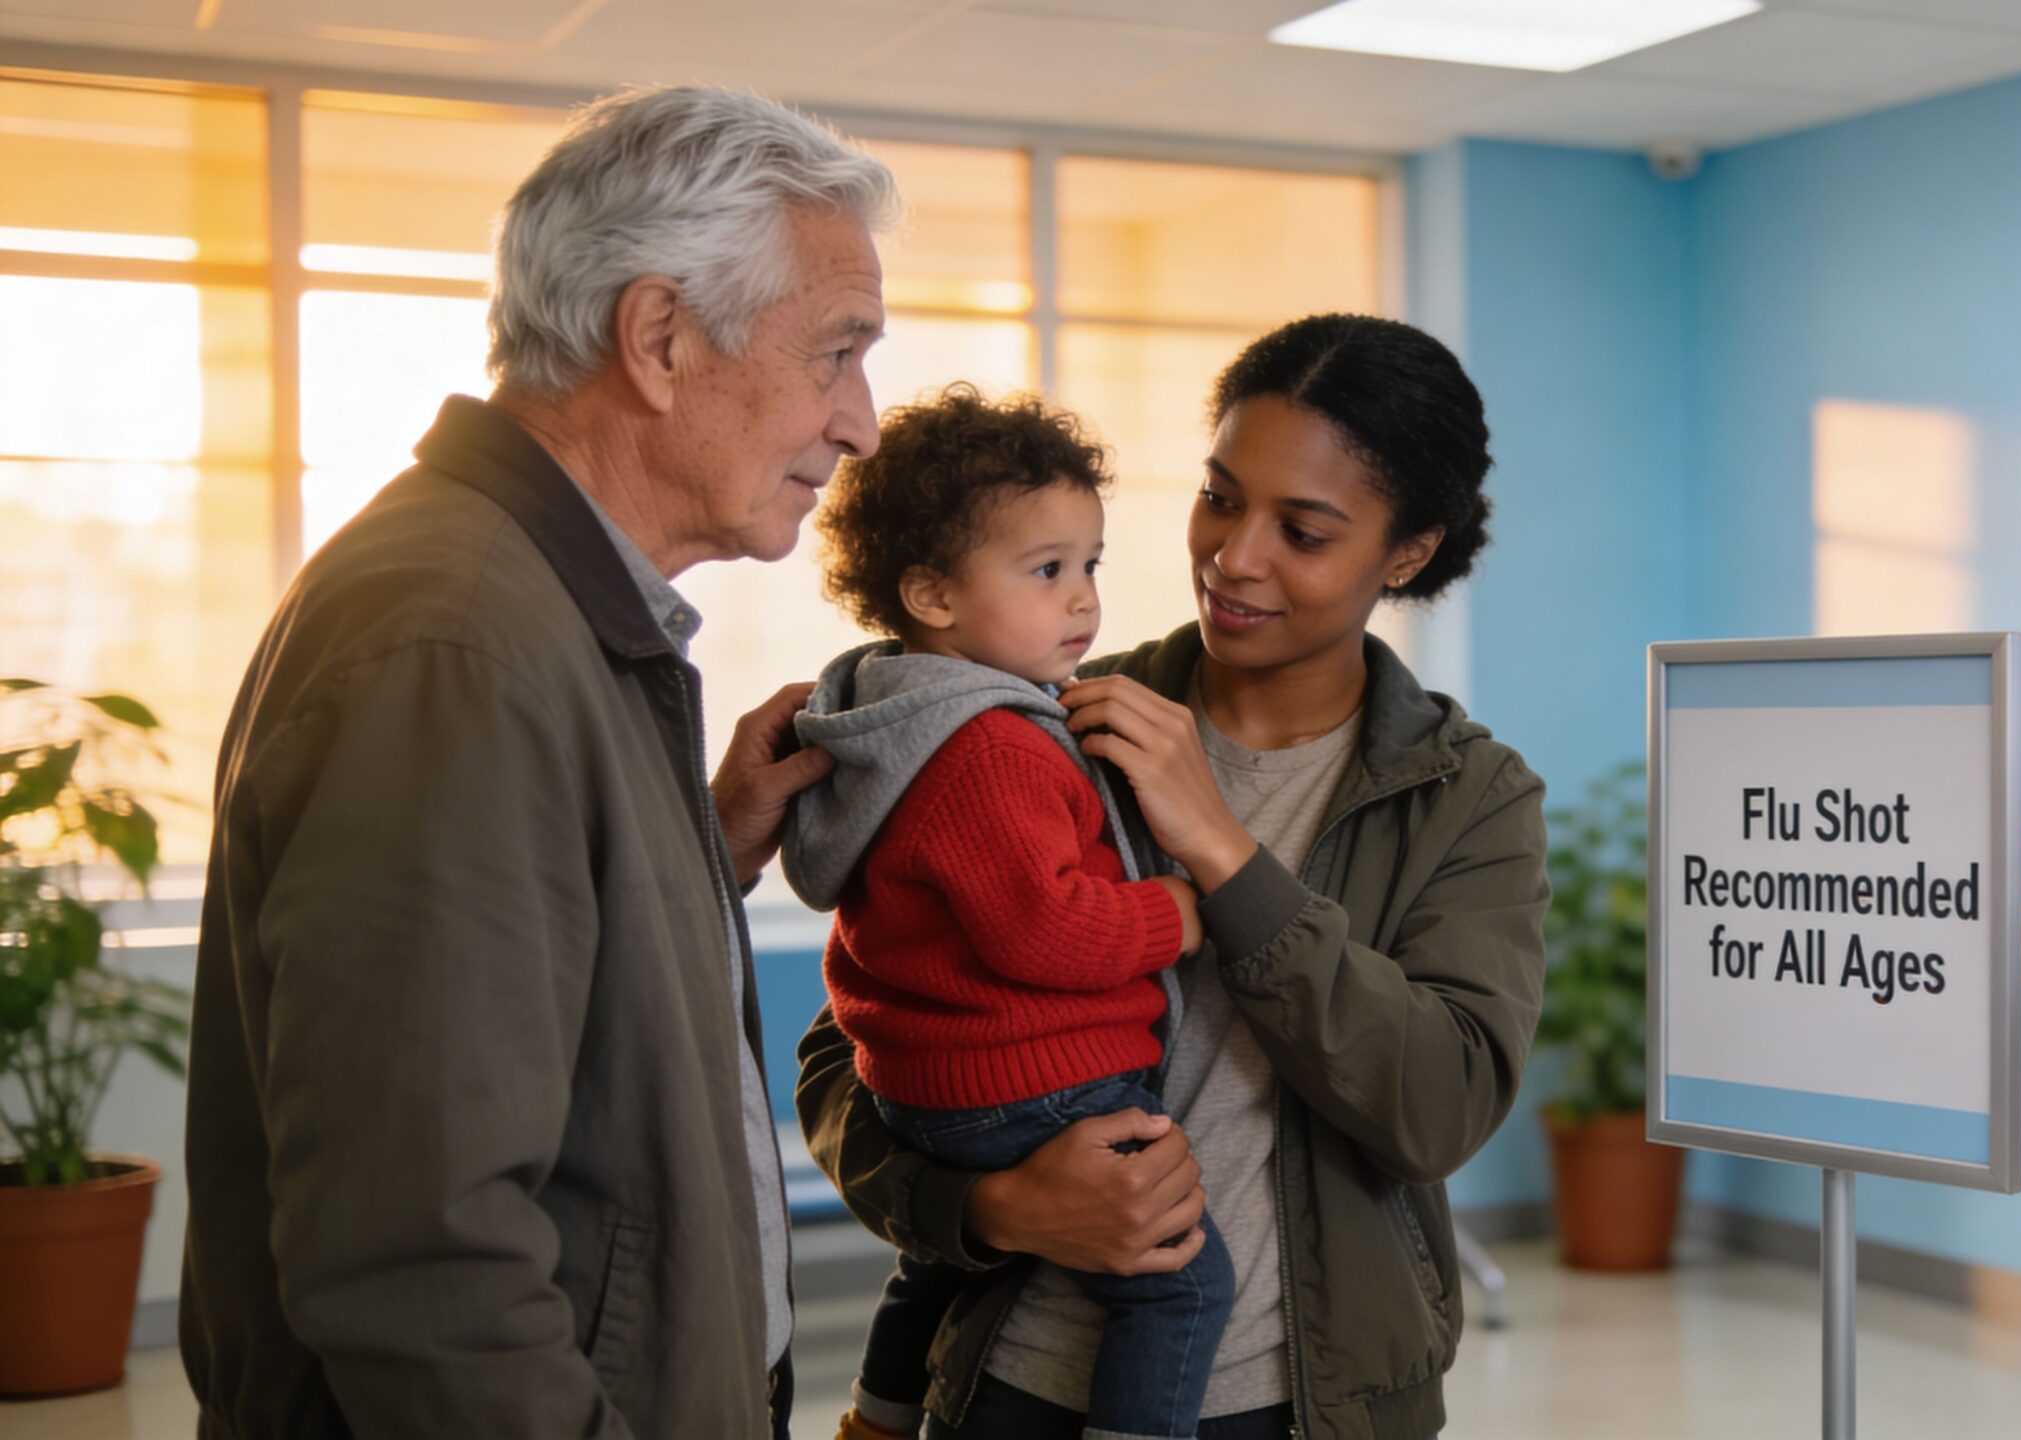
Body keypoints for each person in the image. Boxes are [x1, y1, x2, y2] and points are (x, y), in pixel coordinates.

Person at [180, 84, 893, 1438]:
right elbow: (425, 1268)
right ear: (662, 338)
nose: (860, 422)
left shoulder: (525, 611)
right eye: (837, 353)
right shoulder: (454, 645)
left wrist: (692, 850)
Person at [796, 313, 1550, 1440]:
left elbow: (1435, 1108)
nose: (1234, 556)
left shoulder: (1470, 798)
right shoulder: (1028, 715)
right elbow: (846, 1054)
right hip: (1011, 1380)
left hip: (1303, 1403)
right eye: (1219, 495)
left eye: (1302, 531)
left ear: (1407, 553)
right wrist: (989, 1207)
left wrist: (1229, 857)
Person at [777, 384, 1229, 1440]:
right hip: (1030, 1085)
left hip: (927, 1091)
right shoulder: (992, 745)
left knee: (934, 1265)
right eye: (1046, 571)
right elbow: (1050, 931)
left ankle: (877, 1420)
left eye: (1090, 566)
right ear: (932, 593)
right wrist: (1176, 910)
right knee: (1183, 1286)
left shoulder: (890, 717)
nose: (1084, 603)